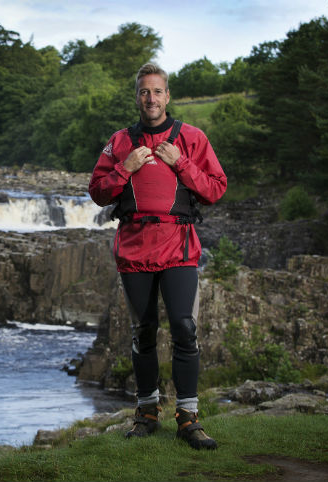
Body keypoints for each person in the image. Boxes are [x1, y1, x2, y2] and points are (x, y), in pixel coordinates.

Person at [88, 62, 227, 450]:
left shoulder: (192, 138)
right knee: (143, 331)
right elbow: (98, 191)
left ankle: (188, 418)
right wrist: (124, 168)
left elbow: (216, 188)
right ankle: (147, 413)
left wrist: (179, 163)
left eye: (157, 91)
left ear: (168, 96)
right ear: (137, 97)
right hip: (134, 248)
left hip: (179, 246)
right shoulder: (119, 142)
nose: (151, 98)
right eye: (144, 92)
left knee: (184, 327)